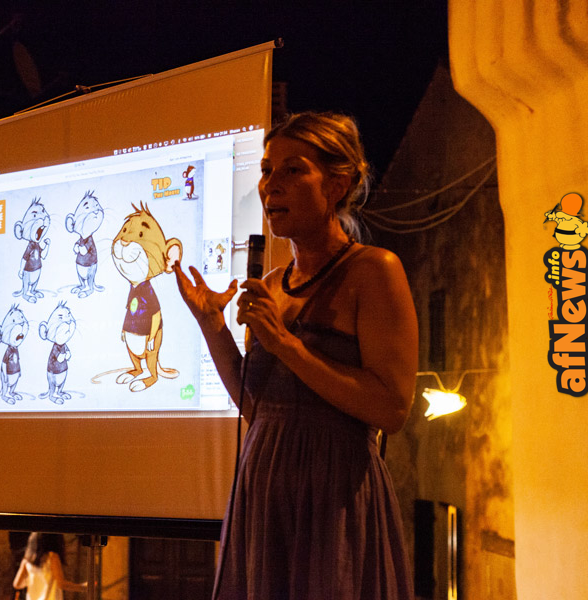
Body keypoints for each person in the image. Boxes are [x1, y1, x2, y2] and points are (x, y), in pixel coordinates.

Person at [174, 111, 418, 600]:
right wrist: (212, 325)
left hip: (333, 495)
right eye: (267, 170)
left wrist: (285, 344)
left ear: (336, 184)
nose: (271, 185)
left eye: (292, 170)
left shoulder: (373, 270)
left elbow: (391, 408)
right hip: (264, 492)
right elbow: (259, 406)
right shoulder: (269, 286)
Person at [12, 532, 88, 600]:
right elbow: (61, 584)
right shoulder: (52, 557)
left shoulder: (27, 560)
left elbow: (17, 584)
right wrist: (83, 587)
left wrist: (32, 582)